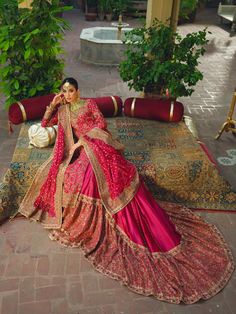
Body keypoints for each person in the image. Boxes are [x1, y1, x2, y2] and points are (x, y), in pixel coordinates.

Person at [19, 77, 234, 304]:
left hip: (95, 144)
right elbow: (44, 125)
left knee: (110, 170)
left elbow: (101, 125)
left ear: (78, 91)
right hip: (81, 151)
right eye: (65, 91)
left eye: (71, 90)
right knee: (83, 173)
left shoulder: (89, 104)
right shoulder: (62, 110)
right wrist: (53, 105)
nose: (68, 94)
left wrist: (84, 141)